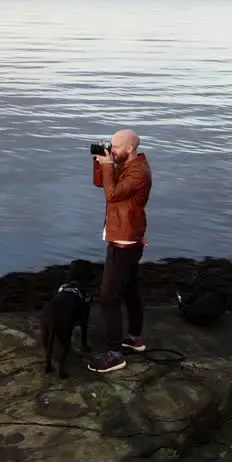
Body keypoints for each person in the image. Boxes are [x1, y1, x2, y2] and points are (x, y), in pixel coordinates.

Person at [89, 128, 152, 374]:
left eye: (115, 147)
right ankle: (135, 338)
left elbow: (112, 194)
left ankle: (115, 354)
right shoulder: (127, 165)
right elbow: (100, 183)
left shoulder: (138, 172)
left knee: (109, 297)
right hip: (126, 235)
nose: (112, 150)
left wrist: (108, 166)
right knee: (129, 289)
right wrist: (101, 162)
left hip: (124, 241)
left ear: (130, 149)